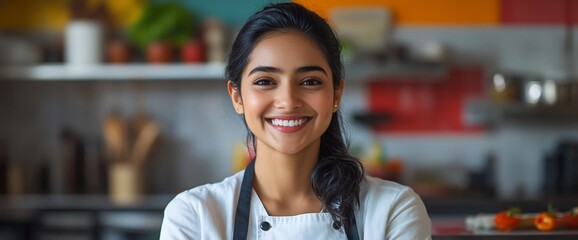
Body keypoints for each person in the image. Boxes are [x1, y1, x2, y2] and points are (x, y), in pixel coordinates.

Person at [160, 2, 431, 239]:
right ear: (237, 96)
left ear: (336, 94)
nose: (288, 101)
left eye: (310, 81)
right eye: (265, 81)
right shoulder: (195, 215)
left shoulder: (393, 210)